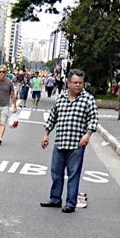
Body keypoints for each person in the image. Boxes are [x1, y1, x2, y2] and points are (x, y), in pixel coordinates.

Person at [40, 69, 98, 213]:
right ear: (68, 83)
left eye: (81, 83)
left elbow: (93, 119)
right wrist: (46, 134)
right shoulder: (61, 97)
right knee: (56, 172)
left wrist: (87, 135)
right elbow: (53, 116)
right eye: (75, 82)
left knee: (73, 174)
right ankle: (55, 199)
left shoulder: (88, 99)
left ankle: (70, 203)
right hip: (60, 142)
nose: (78, 85)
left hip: (76, 145)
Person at [0, 65, 17, 145]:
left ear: (6, 73)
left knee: (2, 122)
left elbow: (12, 94)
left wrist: (15, 106)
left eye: (3, 72)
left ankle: (0, 137)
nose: (1, 73)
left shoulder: (9, 82)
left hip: (5, 105)